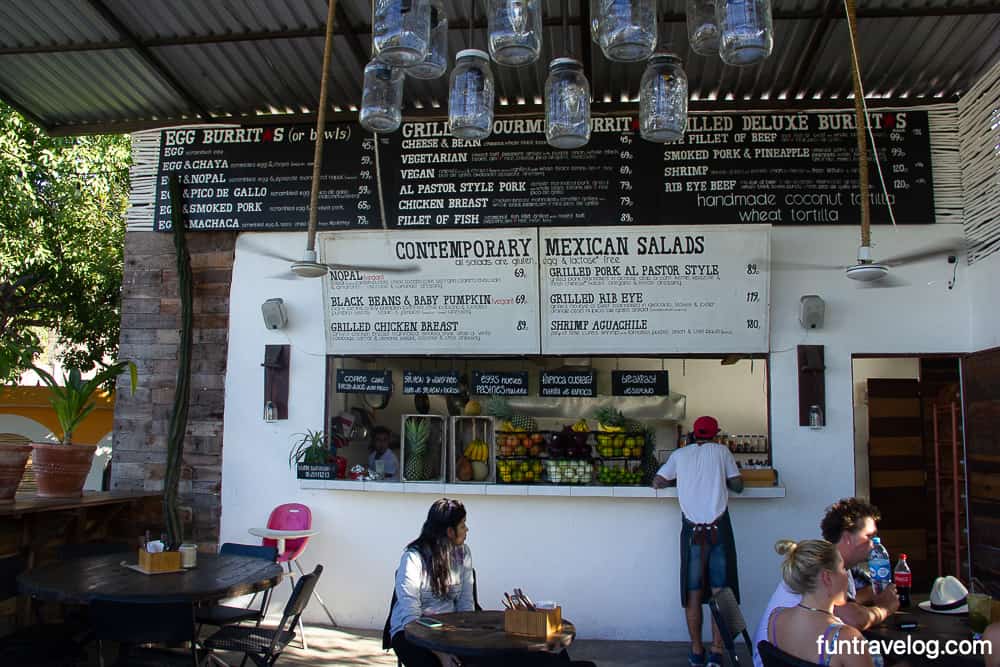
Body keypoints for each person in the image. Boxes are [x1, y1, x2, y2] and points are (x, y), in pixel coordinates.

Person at [753, 498, 900, 667]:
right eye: (869, 536)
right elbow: (853, 618)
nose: (875, 545)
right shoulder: (847, 638)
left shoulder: (777, 616)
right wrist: (886, 608)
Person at [653, 415, 743, 667]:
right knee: (721, 591)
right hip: (718, 529)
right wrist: (722, 479)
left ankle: (695, 650)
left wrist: (680, 479)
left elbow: (658, 481)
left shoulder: (680, 455)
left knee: (692, 591)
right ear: (715, 434)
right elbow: (738, 486)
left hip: (691, 530)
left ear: (693, 434)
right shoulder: (723, 452)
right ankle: (716, 651)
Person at [763, 539, 875, 667]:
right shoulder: (846, 638)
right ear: (827, 577)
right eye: (843, 568)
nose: (847, 576)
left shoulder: (775, 618)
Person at [389, 498, 474, 667]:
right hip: (410, 631)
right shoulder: (413, 558)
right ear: (450, 531)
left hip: (449, 628)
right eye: (463, 525)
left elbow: (466, 604)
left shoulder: (463, 554)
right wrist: (440, 653)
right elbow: (410, 616)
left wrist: (466, 638)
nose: (467, 530)